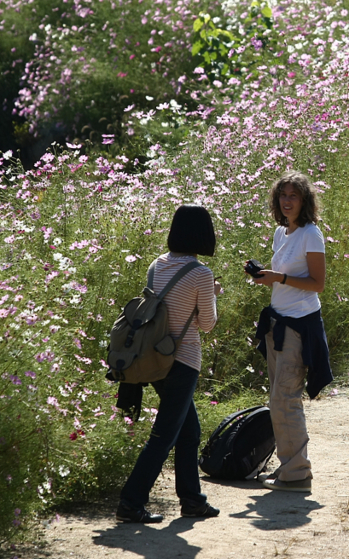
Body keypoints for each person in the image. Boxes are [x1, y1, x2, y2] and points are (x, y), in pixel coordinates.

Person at [116, 205, 222, 523]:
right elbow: (207, 324)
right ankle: (130, 502)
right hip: (183, 360)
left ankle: (192, 499)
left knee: (189, 430)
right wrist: (213, 294)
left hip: (154, 360)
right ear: (203, 234)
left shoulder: (156, 265)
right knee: (163, 436)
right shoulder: (201, 274)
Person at [248, 171, 333, 494]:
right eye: (282, 195)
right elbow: (281, 276)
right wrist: (265, 277)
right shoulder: (281, 233)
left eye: (293, 196)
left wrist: (279, 278)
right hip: (277, 323)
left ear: (305, 201)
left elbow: (318, 284)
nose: (286, 201)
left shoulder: (311, 234)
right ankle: (290, 467)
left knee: (286, 399)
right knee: (279, 399)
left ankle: (297, 473)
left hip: (299, 325)